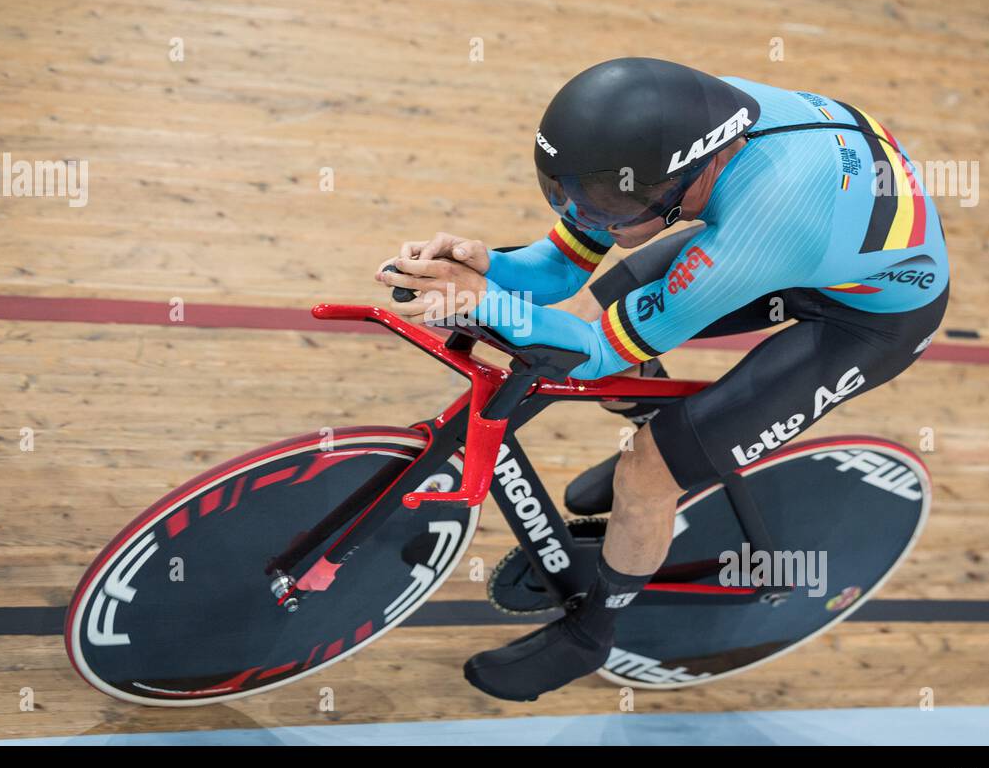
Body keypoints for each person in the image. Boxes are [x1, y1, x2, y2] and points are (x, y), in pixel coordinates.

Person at [375, 57, 950, 701]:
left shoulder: (761, 229)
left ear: (684, 182)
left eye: (605, 206)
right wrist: (489, 268)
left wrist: (483, 302)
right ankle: (669, 431)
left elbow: (595, 353)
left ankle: (593, 629)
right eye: (566, 194)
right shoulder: (671, 135)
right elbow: (563, 270)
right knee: (597, 309)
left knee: (646, 472)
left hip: (869, 317)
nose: (584, 216)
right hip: (812, 240)